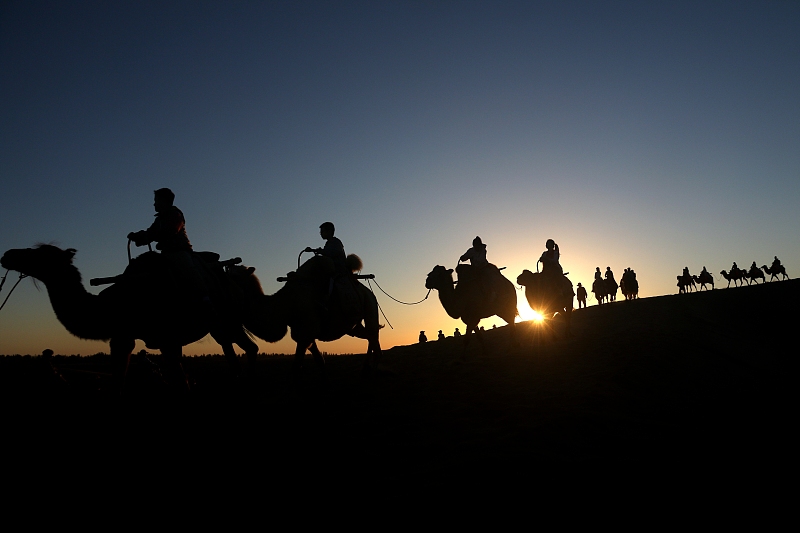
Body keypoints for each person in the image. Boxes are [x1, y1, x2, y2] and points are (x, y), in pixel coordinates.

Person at [127, 188, 208, 301]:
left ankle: (205, 299)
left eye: (156, 200)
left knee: (188, 271)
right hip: (166, 254)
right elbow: (151, 233)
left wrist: (146, 236)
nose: (154, 203)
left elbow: (171, 230)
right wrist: (139, 237)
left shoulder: (175, 215)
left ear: (164, 201)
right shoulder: (159, 219)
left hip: (180, 251)